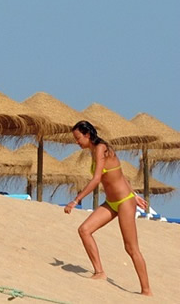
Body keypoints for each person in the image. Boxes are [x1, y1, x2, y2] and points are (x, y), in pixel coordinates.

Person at [64, 120, 152, 296]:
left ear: (87, 135)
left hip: (124, 202)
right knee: (84, 230)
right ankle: (99, 272)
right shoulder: (94, 151)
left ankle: (146, 291)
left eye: (78, 138)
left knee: (131, 248)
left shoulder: (101, 148)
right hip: (111, 202)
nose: (76, 142)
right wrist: (135, 193)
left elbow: (97, 179)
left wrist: (76, 200)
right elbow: (118, 173)